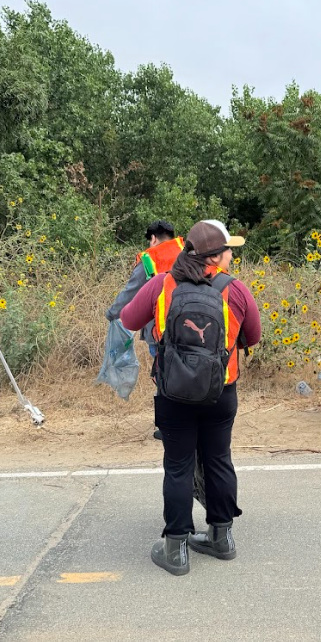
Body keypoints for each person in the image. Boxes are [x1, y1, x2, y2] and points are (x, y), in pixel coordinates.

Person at [121, 219, 261, 576]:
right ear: (215, 256)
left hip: (174, 392)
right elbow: (253, 336)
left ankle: (176, 549)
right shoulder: (236, 289)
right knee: (218, 460)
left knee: (179, 465)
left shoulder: (162, 284)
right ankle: (221, 538)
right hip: (221, 390)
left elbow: (128, 318)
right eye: (230, 250)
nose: (232, 255)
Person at [106, 219, 183, 440]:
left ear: (153, 238)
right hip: (190, 325)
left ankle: (168, 425)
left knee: (164, 375)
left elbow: (131, 292)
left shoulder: (149, 259)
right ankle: (188, 419)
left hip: (160, 330)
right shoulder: (188, 252)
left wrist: (112, 313)